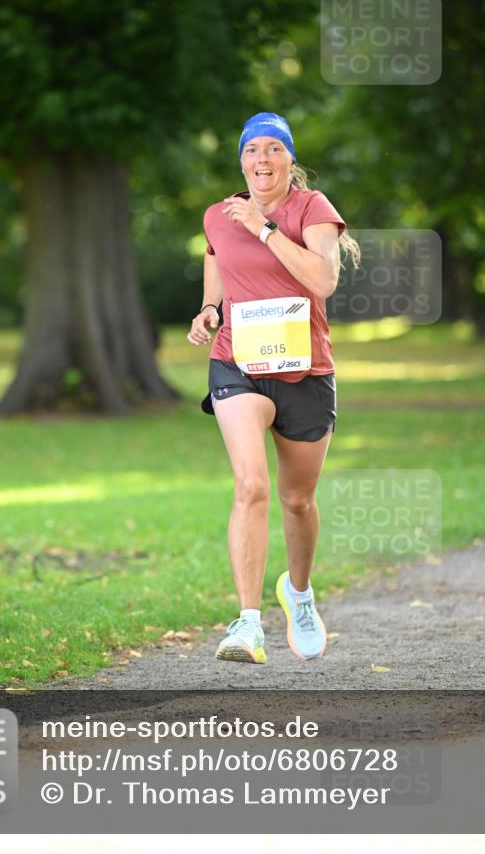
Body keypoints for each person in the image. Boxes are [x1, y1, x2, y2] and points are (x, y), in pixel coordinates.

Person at [187, 112, 360, 664]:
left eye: (272, 150)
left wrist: (262, 228)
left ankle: (300, 594)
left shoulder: (313, 209)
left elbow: (323, 279)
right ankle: (247, 623)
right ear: (241, 158)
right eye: (251, 150)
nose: (261, 160)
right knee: (251, 487)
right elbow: (217, 270)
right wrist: (209, 312)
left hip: (306, 370)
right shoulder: (219, 215)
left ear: (290, 159)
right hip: (237, 365)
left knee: (296, 499)